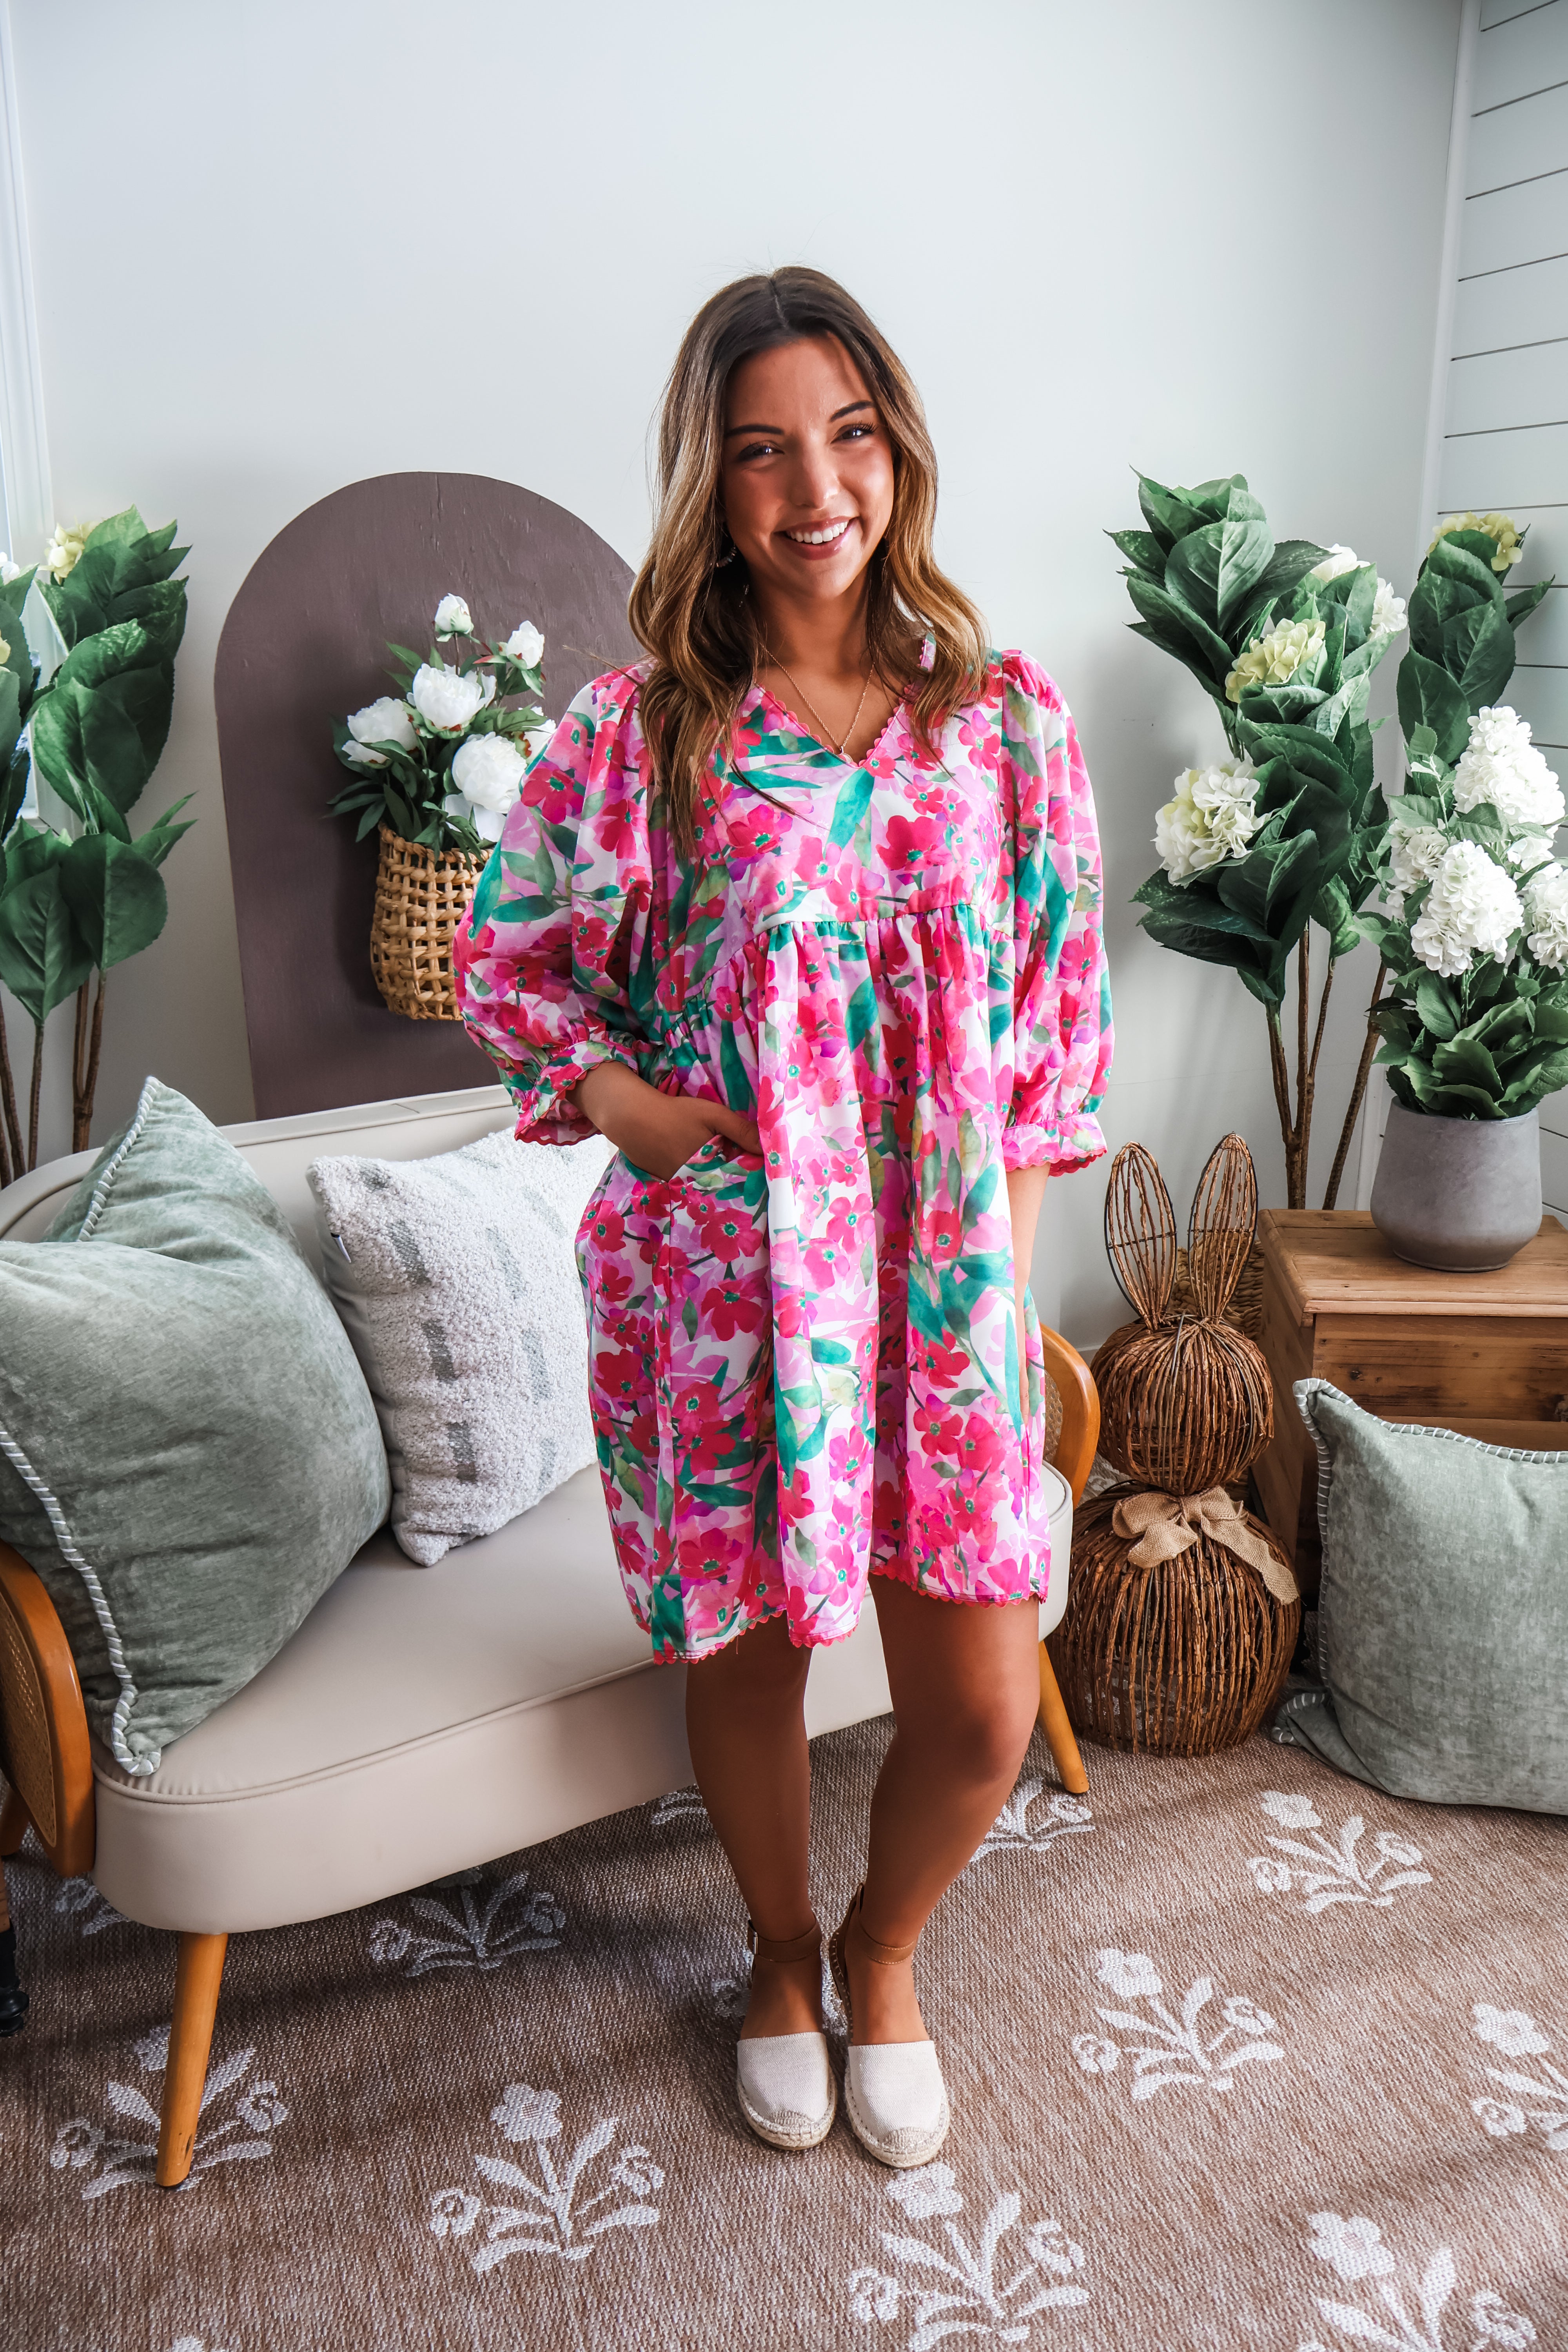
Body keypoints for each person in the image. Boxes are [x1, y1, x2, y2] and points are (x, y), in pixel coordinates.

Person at [455, 267, 1111, 2169]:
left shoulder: (1006, 725)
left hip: (943, 1296)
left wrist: (994, 1289)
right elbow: (511, 963)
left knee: (982, 1708)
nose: (813, 488)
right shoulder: (638, 733)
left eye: (847, 434)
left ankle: (884, 1952)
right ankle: (777, 1949)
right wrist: (634, 1111)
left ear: (897, 451)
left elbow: (1051, 1036)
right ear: (711, 482)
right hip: (728, 1284)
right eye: (760, 450)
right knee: (743, 1660)